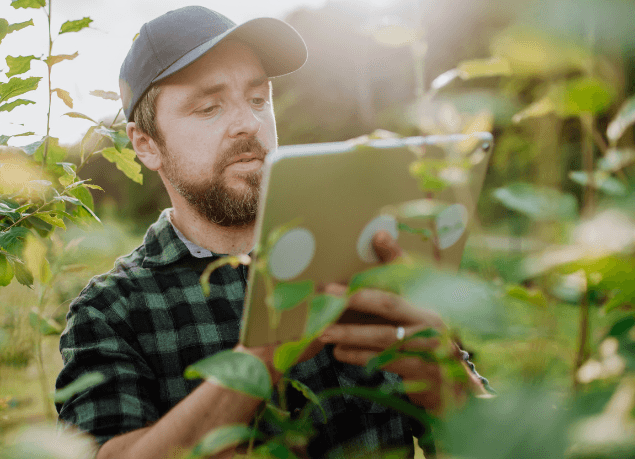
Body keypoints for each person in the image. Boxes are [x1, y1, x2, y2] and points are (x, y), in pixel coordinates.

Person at [56, 6, 490, 458]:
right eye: (209, 107)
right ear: (146, 144)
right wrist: (262, 357)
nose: (248, 122)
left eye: (259, 99)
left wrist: (451, 383)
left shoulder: (370, 257)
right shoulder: (109, 311)